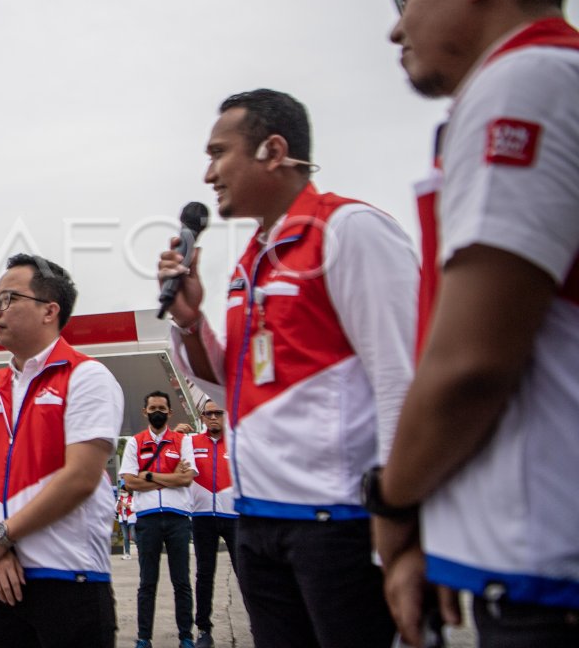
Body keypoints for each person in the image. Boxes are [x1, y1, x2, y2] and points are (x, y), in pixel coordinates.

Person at [377, 0, 579, 648]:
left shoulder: (524, 81)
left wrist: (392, 504)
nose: (397, 31)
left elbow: (470, 364)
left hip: (544, 574)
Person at [159, 90, 419, 648]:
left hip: (340, 524)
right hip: (259, 521)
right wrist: (188, 322)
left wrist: (402, 528)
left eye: (219, 153)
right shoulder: (254, 256)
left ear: (273, 151)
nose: (208, 174)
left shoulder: (351, 230)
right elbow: (233, 387)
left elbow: (403, 382)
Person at [0, 253, 125, 648]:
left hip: (70, 578)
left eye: (8, 299)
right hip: (0, 580)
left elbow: (81, 477)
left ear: (49, 310)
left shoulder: (87, 377)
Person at [119, 390, 197, 648]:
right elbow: (129, 481)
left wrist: (149, 476)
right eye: (152, 408)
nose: (157, 412)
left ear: (170, 411)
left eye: (162, 408)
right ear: (145, 411)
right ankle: (144, 638)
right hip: (147, 520)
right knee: (147, 582)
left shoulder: (181, 441)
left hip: (177, 519)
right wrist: (168, 478)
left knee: (181, 581)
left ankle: (186, 635)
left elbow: (186, 478)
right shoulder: (135, 442)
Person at [189, 400, 238, 648]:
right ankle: (203, 630)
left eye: (218, 413)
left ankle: (257, 623)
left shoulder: (237, 440)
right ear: (203, 417)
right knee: (204, 574)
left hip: (234, 517)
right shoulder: (192, 442)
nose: (213, 417)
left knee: (246, 574)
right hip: (203, 517)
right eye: (209, 414)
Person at [116, 490, 135, 559]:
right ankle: (127, 553)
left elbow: (134, 508)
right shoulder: (119, 499)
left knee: (133, 536)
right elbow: (116, 509)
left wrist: (126, 505)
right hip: (123, 520)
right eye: (121, 492)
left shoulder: (132, 498)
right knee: (125, 537)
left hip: (131, 519)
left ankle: (141, 547)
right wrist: (118, 505)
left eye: (124, 491)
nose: (123, 493)